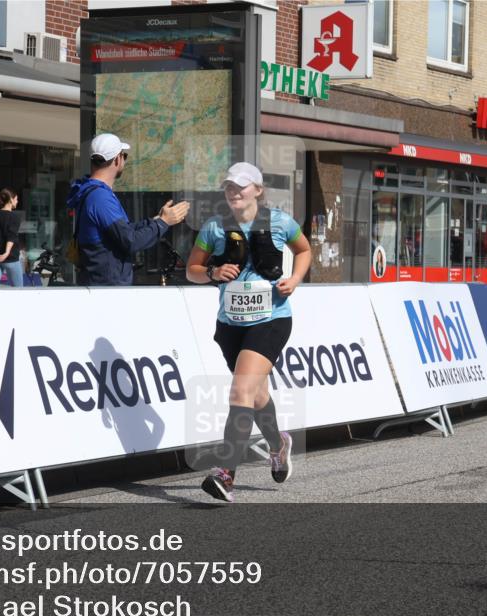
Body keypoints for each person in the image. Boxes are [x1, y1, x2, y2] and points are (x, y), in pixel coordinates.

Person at [186, 162, 312, 502]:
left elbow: (304, 250)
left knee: (240, 391)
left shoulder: (280, 222)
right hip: (231, 326)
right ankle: (278, 444)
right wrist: (212, 272)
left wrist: (296, 279)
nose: (233, 192)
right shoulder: (214, 227)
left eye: (240, 186)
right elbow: (192, 269)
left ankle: (226, 474)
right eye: (228, 186)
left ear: (257, 189)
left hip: (271, 320)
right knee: (255, 396)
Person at [66, 133, 190, 286]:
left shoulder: (93, 193)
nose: (124, 160)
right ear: (117, 159)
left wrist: (157, 220)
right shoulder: (100, 198)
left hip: (100, 288)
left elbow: (122, 232)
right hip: (106, 292)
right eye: (124, 156)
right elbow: (130, 241)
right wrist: (164, 223)